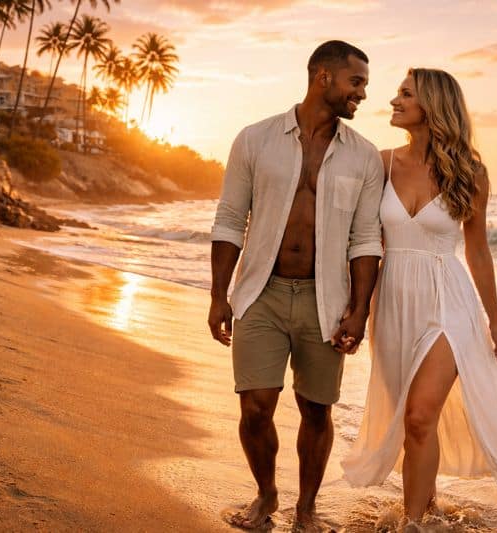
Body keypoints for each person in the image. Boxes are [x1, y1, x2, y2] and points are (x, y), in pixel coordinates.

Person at [341, 69, 497, 531]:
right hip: (394, 302)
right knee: (412, 419)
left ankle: (412, 523)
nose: (393, 101)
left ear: (432, 105)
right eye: (397, 93)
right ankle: (429, 506)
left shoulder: (470, 173)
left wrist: (495, 321)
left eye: (405, 94)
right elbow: (365, 243)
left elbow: (478, 251)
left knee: (420, 415)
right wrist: (356, 309)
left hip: (449, 301)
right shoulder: (382, 163)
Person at [208, 40, 384, 531]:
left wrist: (359, 310)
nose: (363, 95)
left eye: (365, 85)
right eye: (357, 82)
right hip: (260, 293)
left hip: (325, 299)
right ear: (323, 77)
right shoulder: (255, 139)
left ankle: (306, 510)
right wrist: (219, 295)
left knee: (317, 409)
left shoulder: (364, 158)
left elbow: (366, 239)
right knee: (256, 409)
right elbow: (229, 219)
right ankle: (266, 497)